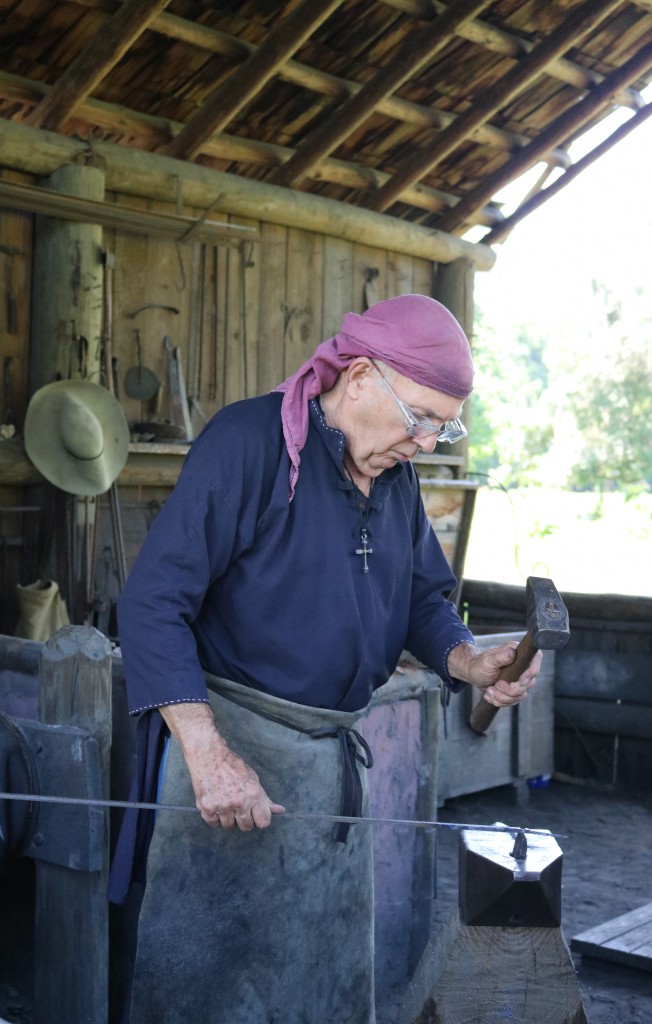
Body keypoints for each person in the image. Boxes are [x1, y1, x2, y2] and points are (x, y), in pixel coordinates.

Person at [109, 293, 541, 1024]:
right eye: (423, 418)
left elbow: (424, 602)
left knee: (319, 988)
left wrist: (468, 662)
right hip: (229, 768)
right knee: (207, 991)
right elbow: (152, 604)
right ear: (363, 377)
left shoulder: (398, 481)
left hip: (328, 774)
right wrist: (208, 754)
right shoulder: (249, 443)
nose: (431, 442)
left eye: (445, 424)